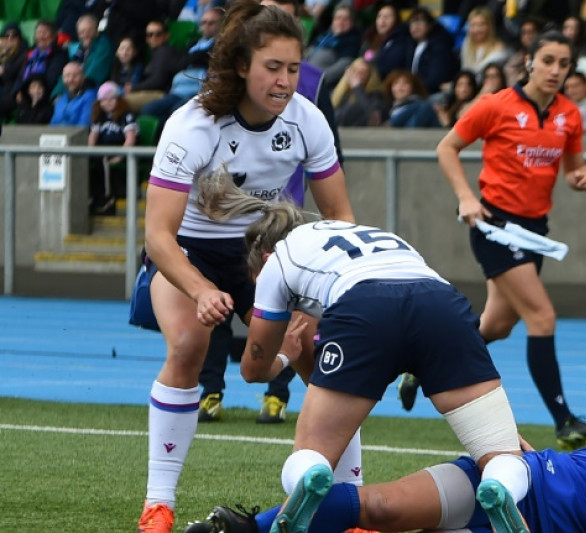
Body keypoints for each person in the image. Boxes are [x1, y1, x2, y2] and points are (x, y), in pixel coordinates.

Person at [185, 166, 531, 533]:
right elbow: (408, 319)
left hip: (365, 308)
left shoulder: (277, 261)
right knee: (503, 453)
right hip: (442, 303)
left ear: (263, 257)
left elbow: (253, 370)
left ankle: (310, 476)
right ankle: (501, 482)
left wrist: (284, 352)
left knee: (312, 452)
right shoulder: (372, 235)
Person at [136, 2, 355, 532]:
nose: (285, 80)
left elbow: (340, 218)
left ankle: (352, 505)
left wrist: (317, 302)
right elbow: (157, 236)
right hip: (188, 254)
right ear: (241, 66)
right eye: (272, 68)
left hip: (264, 254)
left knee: (326, 358)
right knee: (189, 344)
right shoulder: (192, 125)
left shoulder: (308, 119)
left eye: (293, 68)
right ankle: (158, 505)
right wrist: (201, 289)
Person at [185, 388, 586, 533]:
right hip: (518, 484)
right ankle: (248, 526)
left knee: (381, 509)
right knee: (379, 505)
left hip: (522, 508)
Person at [433, 30, 586, 451]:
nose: (556, 70)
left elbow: (571, 169)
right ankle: (565, 420)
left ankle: (427, 362)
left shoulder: (569, 115)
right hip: (494, 226)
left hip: (535, 231)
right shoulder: (496, 105)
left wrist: (580, 179)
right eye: (548, 60)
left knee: (497, 325)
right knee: (541, 317)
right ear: (530, 61)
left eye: (564, 64)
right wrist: (466, 197)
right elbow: (447, 147)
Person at [87, 81, 138, 215]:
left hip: (118, 151)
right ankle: (92, 198)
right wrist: (89, 152)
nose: (107, 102)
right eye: (104, 100)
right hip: (101, 151)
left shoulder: (126, 116)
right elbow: (93, 136)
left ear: (118, 99)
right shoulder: (100, 116)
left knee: (103, 162)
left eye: (111, 99)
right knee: (91, 162)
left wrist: (120, 156)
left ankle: (107, 199)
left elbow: (130, 139)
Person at [50, 61, 97, 126]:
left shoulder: (90, 96)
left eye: (75, 75)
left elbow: (84, 126)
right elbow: (52, 126)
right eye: (67, 76)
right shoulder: (61, 100)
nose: (70, 79)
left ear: (83, 77)